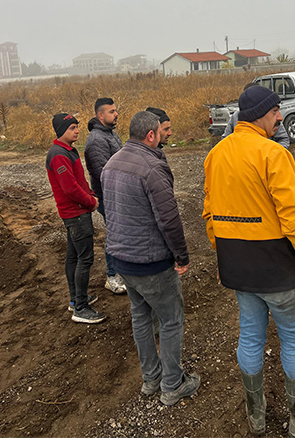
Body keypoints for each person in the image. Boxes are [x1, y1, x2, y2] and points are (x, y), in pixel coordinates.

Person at [203, 85, 295, 436]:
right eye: (276, 111)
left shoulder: (217, 154)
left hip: (238, 268)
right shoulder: (274, 155)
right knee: (292, 339)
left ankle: (256, 416)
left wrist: (224, 255)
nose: (280, 117)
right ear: (262, 113)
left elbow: (210, 213)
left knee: (250, 337)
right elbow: (294, 217)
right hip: (279, 270)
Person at [100, 111, 199, 406]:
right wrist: (181, 256)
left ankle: (151, 379)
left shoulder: (110, 164)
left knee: (141, 316)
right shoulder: (152, 168)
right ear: (151, 135)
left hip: (122, 261)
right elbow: (169, 220)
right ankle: (171, 385)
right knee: (170, 320)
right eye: (160, 132)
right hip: (151, 262)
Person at [45, 114, 105, 324]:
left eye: (77, 127)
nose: (77, 130)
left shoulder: (68, 151)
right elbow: (70, 188)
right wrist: (90, 202)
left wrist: (90, 193)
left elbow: (78, 181)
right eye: (72, 127)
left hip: (76, 212)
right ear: (61, 131)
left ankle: (75, 299)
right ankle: (80, 307)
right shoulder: (58, 155)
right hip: (76, 214)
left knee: (73, 256)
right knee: (85, 258)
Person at [84, 97, 127, 295]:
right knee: (114, 236)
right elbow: (102, 174)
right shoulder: (96, 140)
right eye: (112, 111)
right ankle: (112, 277)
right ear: (100, 115)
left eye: (115, 110)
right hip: (108, 197)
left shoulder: (110, 134)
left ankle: (122, 271)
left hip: (117, 195)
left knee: (120, 234)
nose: (116, 114)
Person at [223, 83, 291, 149]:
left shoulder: (271, 118)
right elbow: (225, 138)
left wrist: (271, 153)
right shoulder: (235, 116)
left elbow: (284, 139)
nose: (280, 118)